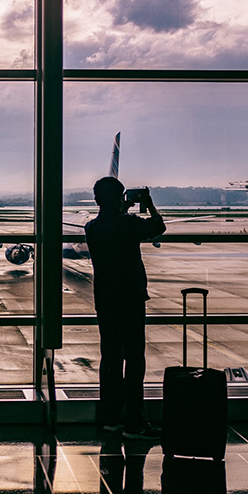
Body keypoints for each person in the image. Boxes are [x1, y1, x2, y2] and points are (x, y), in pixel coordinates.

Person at [84, 176, 166, 440]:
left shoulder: (92, 227)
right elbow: (158, 227)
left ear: (96, 200)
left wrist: (122, 205)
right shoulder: (129, 224)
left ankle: (111, 419)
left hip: (105, 300)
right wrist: (149, 204)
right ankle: (135, 422)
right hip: (130, 299)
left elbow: (111, 220)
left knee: (110, 358)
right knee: (134, 359)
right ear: (120, 198)